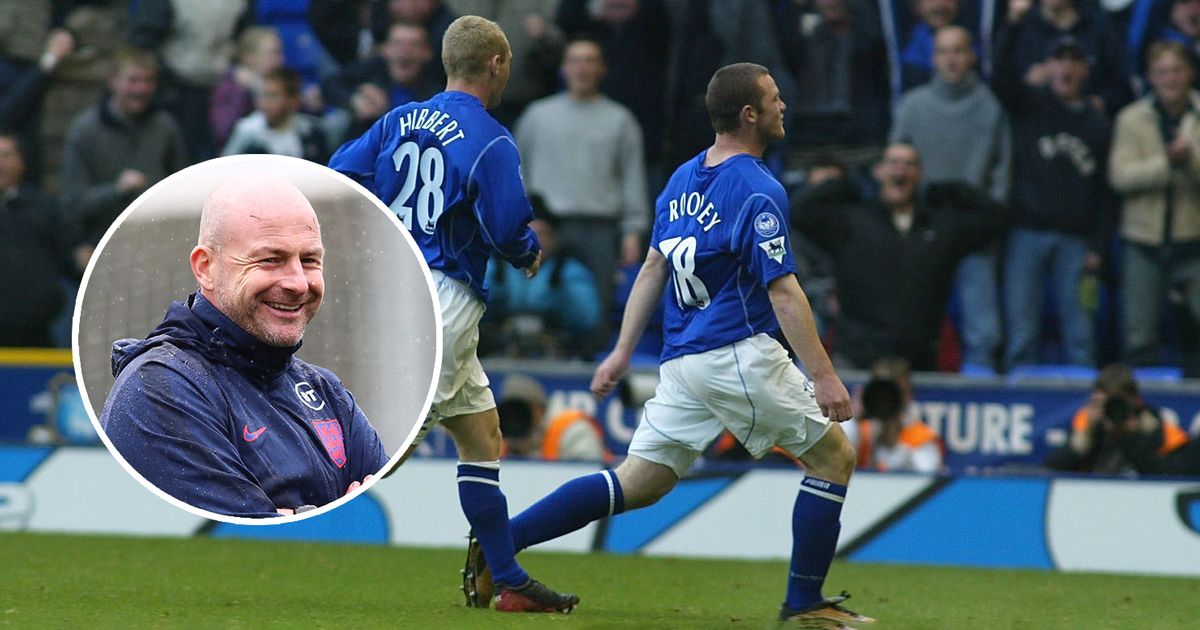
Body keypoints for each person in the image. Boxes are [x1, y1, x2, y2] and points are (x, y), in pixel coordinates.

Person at [468, 62, 875, 626]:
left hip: (683, 359)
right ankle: (804, 603)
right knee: (834, 458)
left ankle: (500, 544)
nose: (785, 107)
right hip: (737, 352)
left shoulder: (682, 179)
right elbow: (784, 293)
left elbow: (654, 268)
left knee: (640, 482)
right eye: (775, 99)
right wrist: (826, 376)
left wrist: (620, 349)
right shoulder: (759, 188)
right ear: (749, 114)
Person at [328, 15, 578, 613]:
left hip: (399, 282)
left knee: (481, 432)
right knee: (389, 446)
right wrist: (525, 252)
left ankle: (508, 575)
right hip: (444, 295)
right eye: (508, 64)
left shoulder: (397, 119)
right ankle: (266, 482)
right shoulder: (491, 138)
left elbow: (340, 170)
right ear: (495, 64)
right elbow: (506, 223)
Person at [98, 177, 389, 519]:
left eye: (309, 260)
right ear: (206, 268)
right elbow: (247, 546)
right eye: (270, 260)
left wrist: (298, 516)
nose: (297, 283)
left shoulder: (327, 392)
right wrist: (340, 515)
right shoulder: (160, 387)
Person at [792, 143, 1005, 371]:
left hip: (919, 364)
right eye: (893, 163)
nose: (901, 170)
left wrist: (951, 189)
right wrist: (847, 184)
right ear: (878, 171)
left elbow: (996, 219)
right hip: (856, 359)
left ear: (920, 174)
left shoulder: (940, 226)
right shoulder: (851, 220)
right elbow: (799, 211)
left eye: (910, 164)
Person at [891, 25, 1010, 371]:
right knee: (915, 315)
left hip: (974, 229)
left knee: (982, 326)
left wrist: (991, 217)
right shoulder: (913, 107)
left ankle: (982, 384)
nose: (951, 59)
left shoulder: (990, 106)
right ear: (933, 58)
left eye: (959, 50)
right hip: (925, 227)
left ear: (972, 55)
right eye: (944, 51)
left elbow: (1002, 173)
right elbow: (896, 161)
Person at [513, 36, 649, 332]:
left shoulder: (620, 119)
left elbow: (631, 178)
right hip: (544, 226)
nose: (582, 68)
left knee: (596, 312)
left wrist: (632, 232)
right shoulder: (537, 116)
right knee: (534, 303)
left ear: (602, 69)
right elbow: (516, 172)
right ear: (563, 68)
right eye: (575, 60)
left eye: (590, 61)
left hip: (600, 229)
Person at [993, 35, 1112, 370]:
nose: (1066, 67)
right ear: (1048, 67)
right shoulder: (1031, 106)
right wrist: (1014, 26)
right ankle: (1019, 398)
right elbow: (999, 79)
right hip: (1025, 232)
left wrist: (1098, 245)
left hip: (1077, 239)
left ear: (1086, 70)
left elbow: (1106, 191)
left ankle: (1086, 412)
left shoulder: (1097, 122)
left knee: (1081, 332)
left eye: (1075, 61)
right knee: (1022, 329)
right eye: (1059, 59)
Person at [1109, 41, 1200, 375]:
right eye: (1162, 72)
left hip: (1193, 243)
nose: (1170, 79)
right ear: (1150, 77)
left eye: (1177, 71)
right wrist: (1166, 164)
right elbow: (1119, 176)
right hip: (1142, 242)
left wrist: (1190, 161)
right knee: (1140, 336)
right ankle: (1140, 411)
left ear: (1190, 73)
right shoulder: (1132, 119)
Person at [59, 46, 188, 262]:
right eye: (133, 80)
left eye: (148, 81)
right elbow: (72, 203)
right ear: (113, 81)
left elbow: (184, 191)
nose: (142, 89)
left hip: (156, 245)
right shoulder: (85, 130)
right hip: (100, 246)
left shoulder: (166, 127)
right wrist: (116, 190)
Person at [484, 199, 602, 359]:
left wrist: (562, 292)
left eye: (542, 235)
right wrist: (494, 291)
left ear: (555, 239)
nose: (534, 242)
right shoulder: (493, 267)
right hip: (499, 353)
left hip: (557, 355)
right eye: (526, 234)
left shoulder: (570, 270)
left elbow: (588, 319)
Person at [1044, 363, 1195, 474]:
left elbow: (1176, 473)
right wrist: (1078, 446)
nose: (1111, 411)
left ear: (1136, 400)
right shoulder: (1087, 421)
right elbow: (1050, 469)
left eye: (1117, 404)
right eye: (1104, 404)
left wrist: (1139, 436)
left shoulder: (1150, 421)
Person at [0, 132, 75, 347]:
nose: (1, 163)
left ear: (21, 162)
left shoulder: (44, 207)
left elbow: (69, 257)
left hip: (34, 335)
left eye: (7, 155)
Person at [222, 67, 329, 162]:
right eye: (263, 95)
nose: (263, 102)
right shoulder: (247, 132)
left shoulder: (310, 132)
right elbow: (225, 170)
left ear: (293, 100)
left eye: (272, 96)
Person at [495, 374, 609, 462]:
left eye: (520, 410)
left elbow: (589, 476)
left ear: (539, 408)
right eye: (509, 412)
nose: (515, 419)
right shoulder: (502, 440)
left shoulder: (571, 429)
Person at [209, 26, 286, 152]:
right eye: (273, 53)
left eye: (280, 53)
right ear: (249, 57)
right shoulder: (229, 86)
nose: (280, 60)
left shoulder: (283, 84)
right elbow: (224, 131)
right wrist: (243, 93)